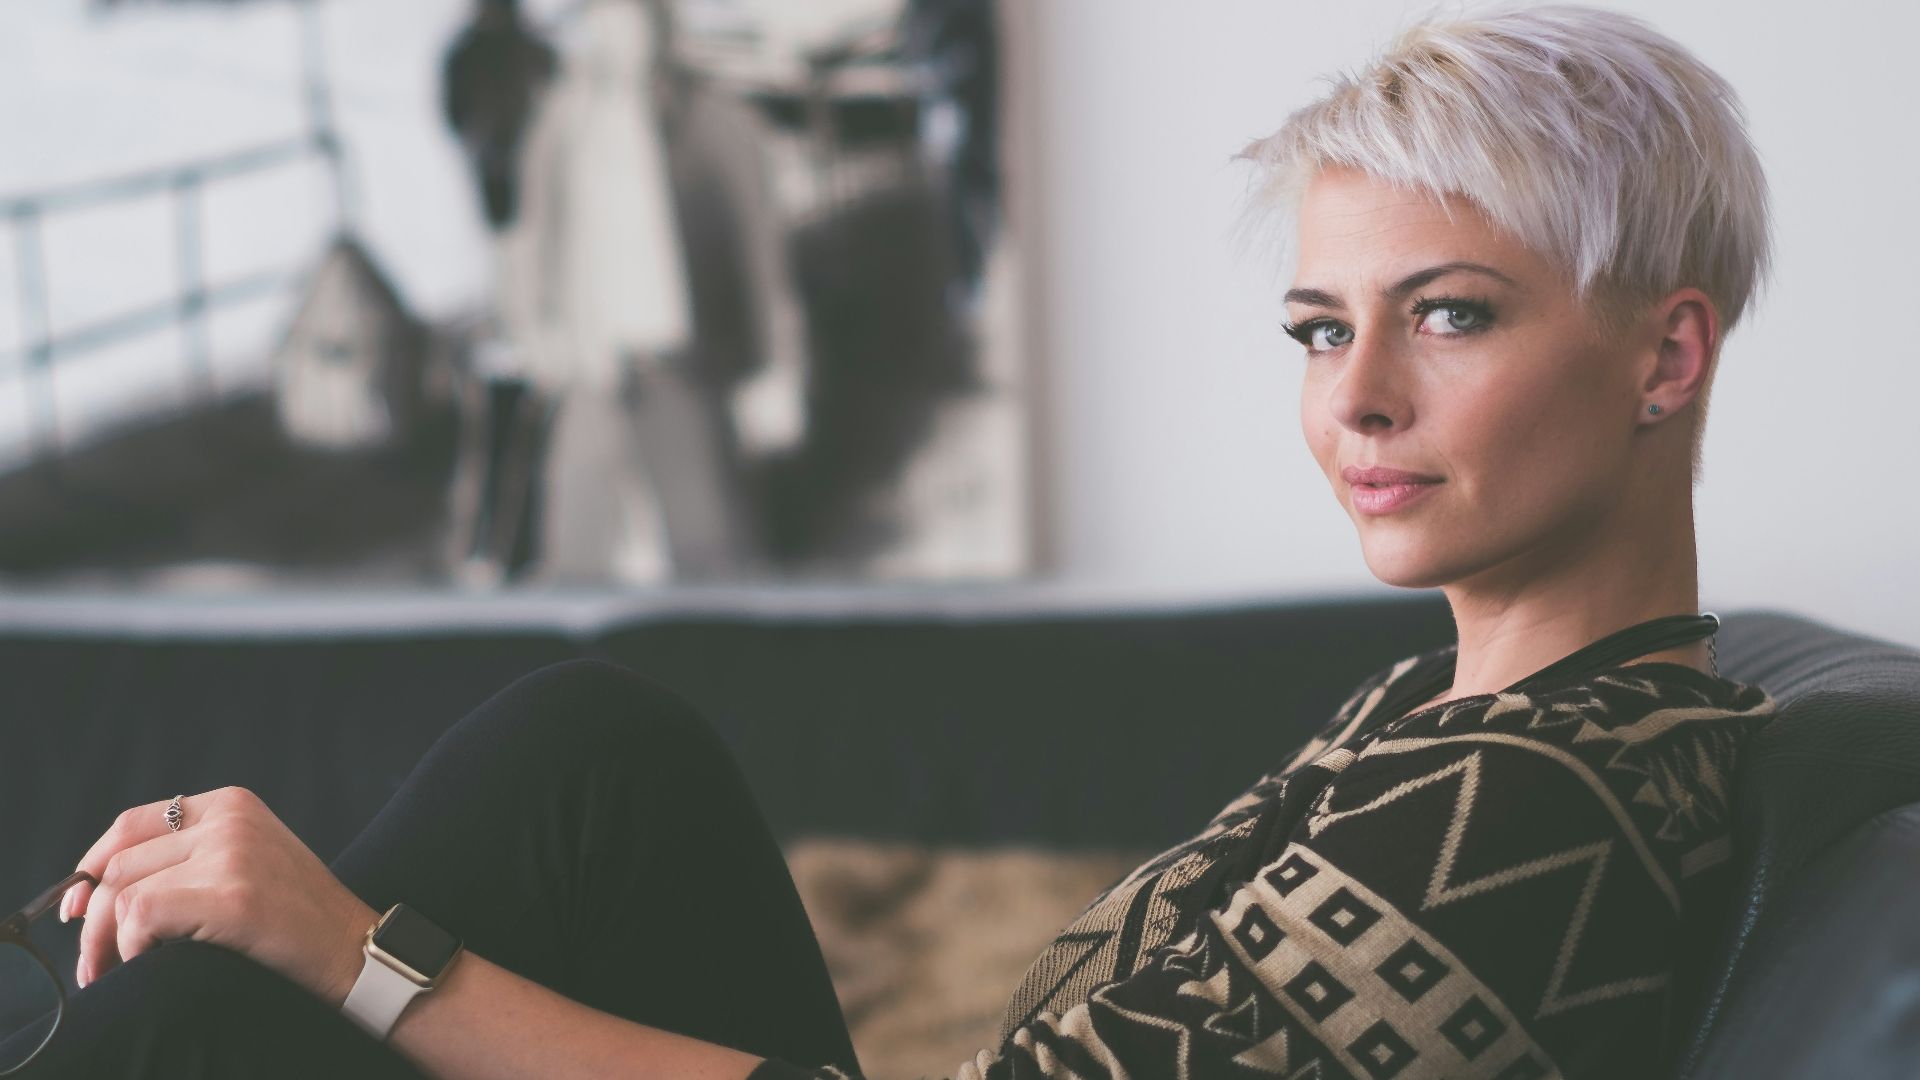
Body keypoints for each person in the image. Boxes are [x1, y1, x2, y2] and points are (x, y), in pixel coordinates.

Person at [17, 3, 1781, 1077]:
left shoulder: (1546, 808)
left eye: (1451, 316)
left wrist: (361, 954)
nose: (1357, 399)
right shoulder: (1446, 711)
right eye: (1322, 328)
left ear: (1665, 354)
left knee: (277, 988)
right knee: (587, 759)